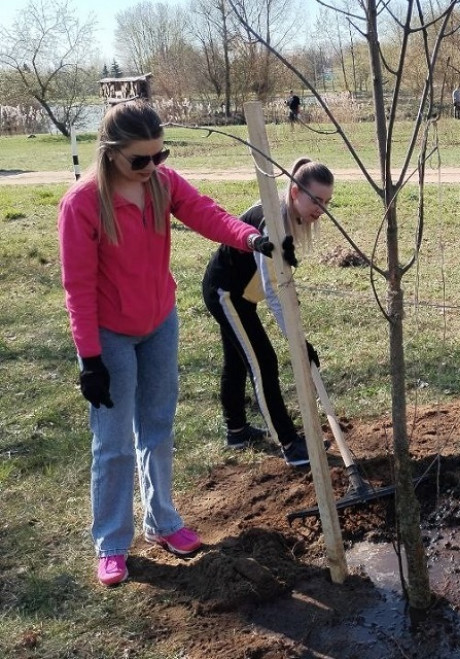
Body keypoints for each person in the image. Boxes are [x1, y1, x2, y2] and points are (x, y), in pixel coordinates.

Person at [58, 100, 281, 587]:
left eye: (160, 155)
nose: (152, 167)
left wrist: (250, 238)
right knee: (113, 442)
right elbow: (77, 286)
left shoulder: (161, 183)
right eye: (141, 159)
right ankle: (112, 544)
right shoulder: (82, 204)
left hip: (159, 321)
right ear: (111, 153)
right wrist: (90, 358)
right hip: (109, 335)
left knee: (157, 426)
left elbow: (205, 213)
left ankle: (162, 521)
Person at [201, 158, 334, 467]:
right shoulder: (272, 223)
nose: (321, 208)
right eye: (315, 199)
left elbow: (283, 281)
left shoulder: (288, 218)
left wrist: (299, 337)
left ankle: (237, 430)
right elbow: (274, 291)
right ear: (294, 192)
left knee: (237, 359)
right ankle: (289, 443)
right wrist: (298, 343)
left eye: (327, 201)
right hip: (226, 293)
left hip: (241, 294)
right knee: (262, 362)